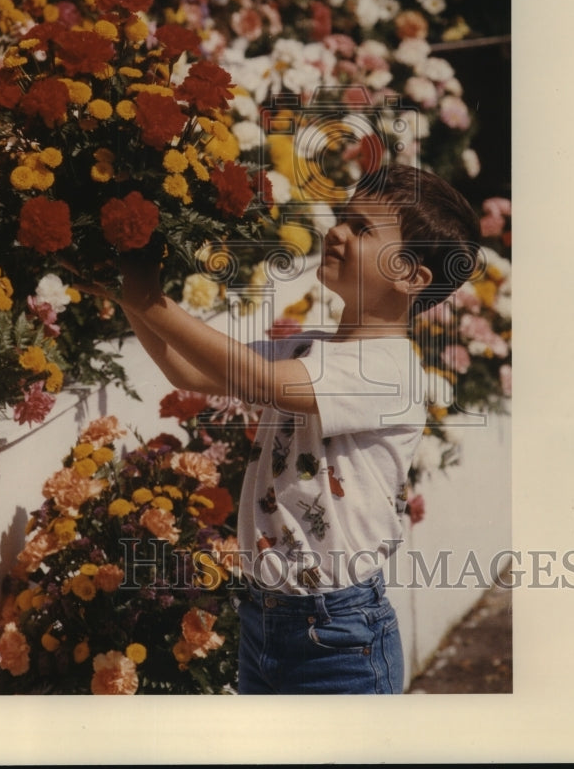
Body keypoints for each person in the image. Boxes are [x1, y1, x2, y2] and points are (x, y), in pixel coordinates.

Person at [102, 163, 481, 694]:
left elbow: (260, 380)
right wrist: (126, 288)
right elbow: (185, 370)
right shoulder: (311, 348)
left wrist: (146, 299)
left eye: (362, 228)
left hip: (340, 637)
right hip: (267, 621)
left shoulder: (390, 369)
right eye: (344, 217)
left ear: (412, 276)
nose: (338, 231)